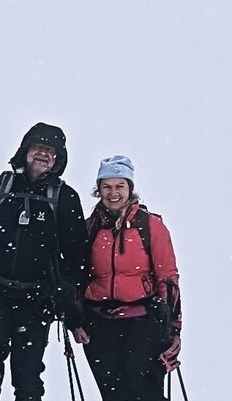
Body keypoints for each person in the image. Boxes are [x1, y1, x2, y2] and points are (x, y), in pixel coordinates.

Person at [0, 123, 89, 401]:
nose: (43, 154)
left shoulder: (65, 198)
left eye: (50, 151)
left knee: (28, 370)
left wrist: (67, 285)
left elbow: (77, 253)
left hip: (39, 294)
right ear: (25, 151)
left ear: (58, 158)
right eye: (38, 147)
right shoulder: (0, 186)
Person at [72, 155, 182, 401]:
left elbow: (167, 278)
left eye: (120, 186)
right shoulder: (90, 227)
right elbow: (78, 276)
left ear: (130, 188)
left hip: (143, 324)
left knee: (146, 393)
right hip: (100, 325)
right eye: (107, 186)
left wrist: (174, 329)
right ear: (98, 190)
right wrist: (76, 318)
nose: (113, 193)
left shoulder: (150, 225)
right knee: (113, 394)